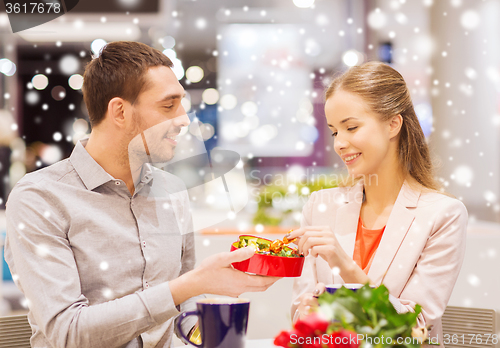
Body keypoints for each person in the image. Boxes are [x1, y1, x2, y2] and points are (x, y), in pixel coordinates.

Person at [4, 41, 278, 348]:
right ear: (119, 111)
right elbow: (68, 334)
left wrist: (206, 330)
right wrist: (188, 286)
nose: (184, 119)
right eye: (168, 105)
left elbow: (185, 301)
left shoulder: (171, 191)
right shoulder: (39, 199)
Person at [288, 61, 467, 345]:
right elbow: (301, 314)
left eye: (351, 127)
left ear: (393, 123)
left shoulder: (442, 215)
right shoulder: (320, 206)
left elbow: (415, 329)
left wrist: (345, 266)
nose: (339, 143)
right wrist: (308, 314)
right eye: (335, 131)